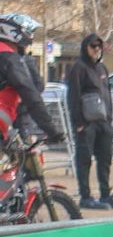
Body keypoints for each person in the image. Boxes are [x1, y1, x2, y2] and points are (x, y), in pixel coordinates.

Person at [65, 33, 113, 209]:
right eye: (93, 46)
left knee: (105, 158)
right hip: (86, 122)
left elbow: (107, 94)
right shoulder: (78, 68)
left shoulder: (102, 68)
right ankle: (85, 196)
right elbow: (73, 96)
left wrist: (109, 118)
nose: (96, 49)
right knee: (84, 160)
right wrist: (78, 122)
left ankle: (105, 195)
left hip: (103, 121)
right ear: (86, 47)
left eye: (99, 46)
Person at [0, 13, 65, 146]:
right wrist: (52, 130)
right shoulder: (9, 58)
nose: (31, 38)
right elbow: (30, 95)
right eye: (30, 32)